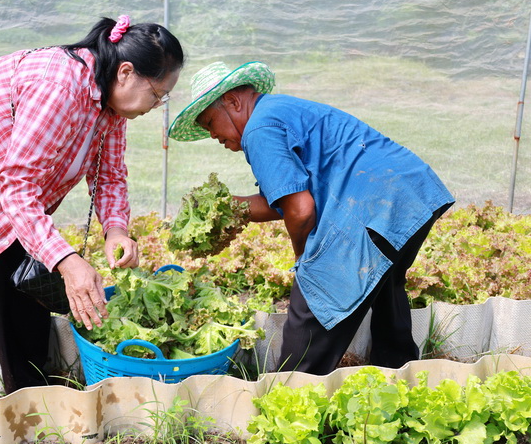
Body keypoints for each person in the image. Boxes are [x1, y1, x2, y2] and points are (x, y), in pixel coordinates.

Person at [0, 16, 184, 395]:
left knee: (27, 289)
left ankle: (29, 396)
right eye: (157, 94)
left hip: (10, 182)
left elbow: (109, 174)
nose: (157, 105)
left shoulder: (111, 101)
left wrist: (116, 229)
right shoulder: (58, 87)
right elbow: (18, 188)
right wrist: (68, 261)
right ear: (126, 72)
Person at [168, 61, 454, 375]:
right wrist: (231, 208)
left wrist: (305, 261)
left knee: (312, 307)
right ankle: (399, 376)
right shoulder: (277, 110)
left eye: (210, 123)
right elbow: (289, 196)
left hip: (371, 206)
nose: (212, 135)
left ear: (234, 101)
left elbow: (301, 210)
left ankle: (289, 392)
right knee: (386, 289)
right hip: (409, 194)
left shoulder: (258, 129)